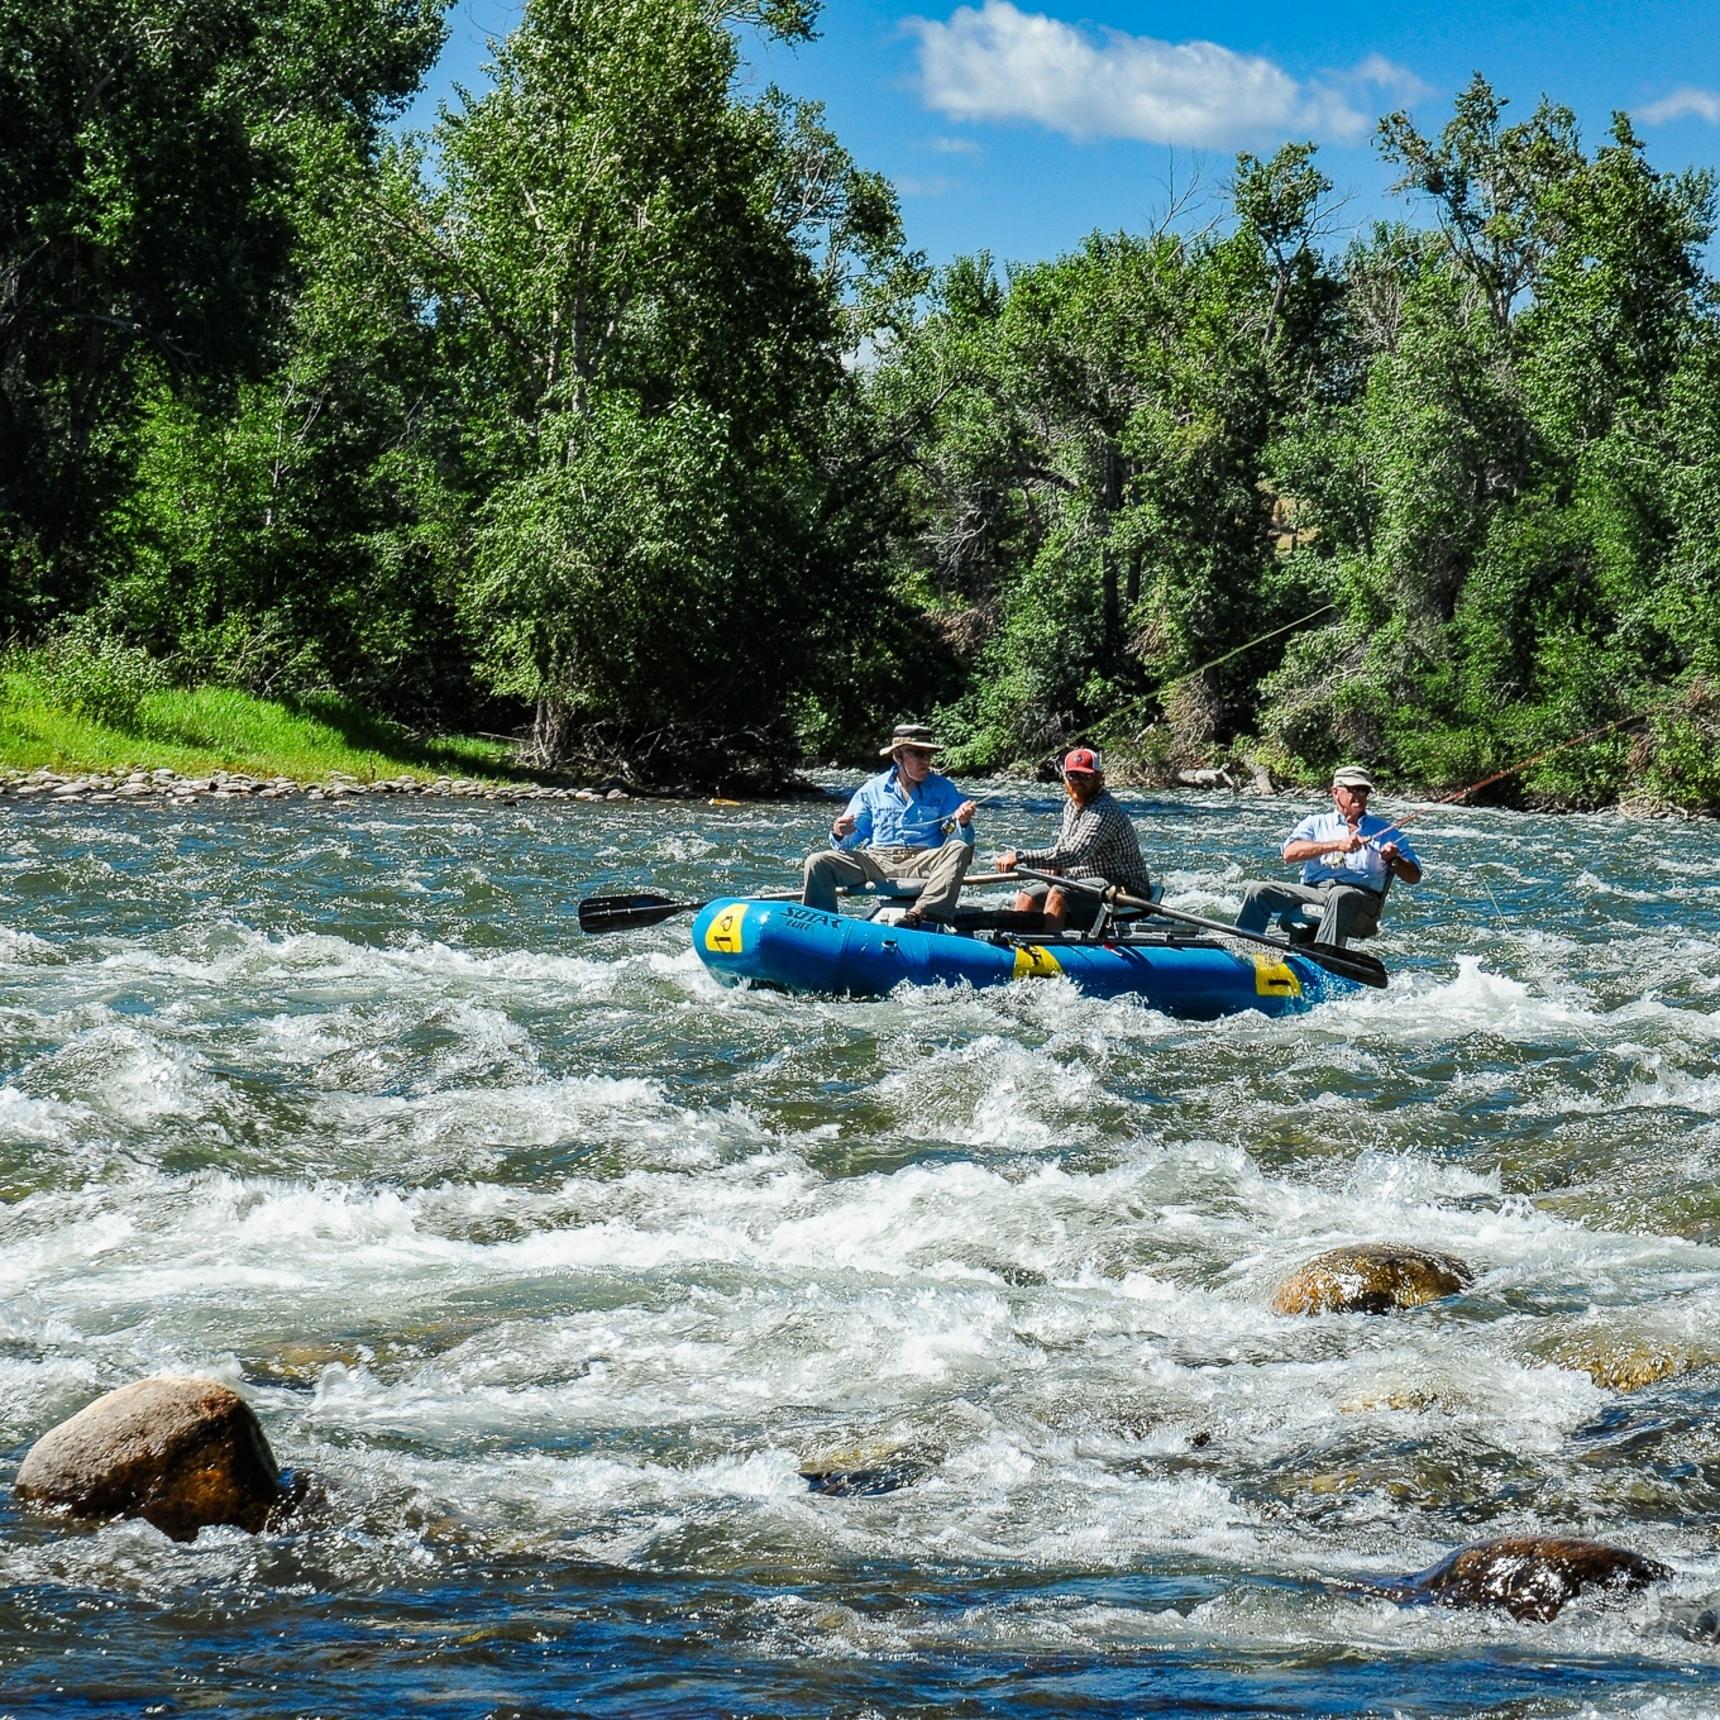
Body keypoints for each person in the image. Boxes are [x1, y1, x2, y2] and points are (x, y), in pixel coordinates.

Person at [802, 723, 977, 929]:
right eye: (919, 754)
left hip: (923, 860)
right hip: (877, 860)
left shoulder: (945, 789)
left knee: (959, 849)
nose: (926, 761)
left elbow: (958, 839)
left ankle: (921, 914)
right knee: (817, 862)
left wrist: (963, 822)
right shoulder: (872, 789)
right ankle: (820, 928)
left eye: (929, 755)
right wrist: (839, 832)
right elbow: (846, 844)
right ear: (898, 756)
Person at [1235, 765, 1422, 948]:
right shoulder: (1315, 823)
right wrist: (1337, 845)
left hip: (1361, 902)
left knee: (1340, 894)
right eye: (1353, 789)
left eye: (1364, 791)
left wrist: (1394, 859)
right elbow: (1290, 853)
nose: (1359, 795)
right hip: (1316, 892)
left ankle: (1323, 959)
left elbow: (1414, 877)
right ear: (1335, 792)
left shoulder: (1385, 830)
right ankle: (1241, 951)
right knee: (1258, 890)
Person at [995, 747, 1151, 932]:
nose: (1077, 782)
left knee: (1059, 893)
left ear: (1099, 778)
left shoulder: (1104, 811)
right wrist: (1055, 866)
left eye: (1085, 776)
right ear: (1064, 778)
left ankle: (1050, 952)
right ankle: (1016, 946)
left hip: (1124, 886)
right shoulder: (1071, 806)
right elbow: (1063, 847)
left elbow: (1072, 854)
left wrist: (1020, 856)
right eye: (1072, 776)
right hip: (1083, 880)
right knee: (1028, 896)